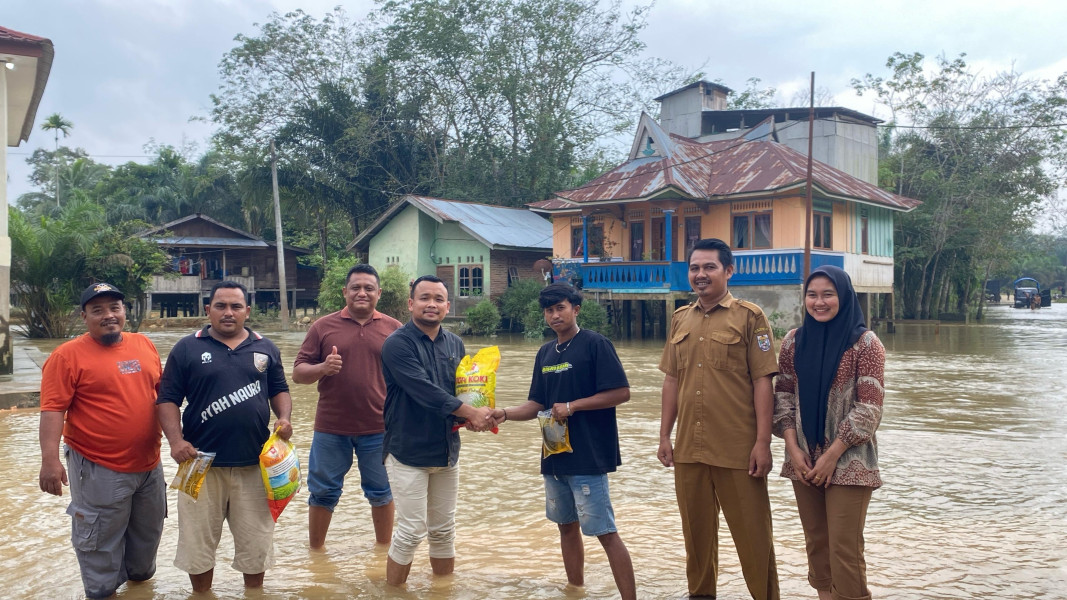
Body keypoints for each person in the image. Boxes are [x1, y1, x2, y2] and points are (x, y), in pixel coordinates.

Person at [493, 283, 637, 600]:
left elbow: (621, 393)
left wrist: (573, 406)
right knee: (565, 527)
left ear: (576, 308)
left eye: (560, 307)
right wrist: (502, 413)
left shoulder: (595, 344)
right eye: (549, 310)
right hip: (554, 455)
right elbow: (536, 405)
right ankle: (576, 591)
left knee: (605, 532)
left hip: (589, 455)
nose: (555, 315)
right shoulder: (545, 353)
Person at [658, 238, 781, 600]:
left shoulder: (750, 317)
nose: (700, 274)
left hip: (738, 449)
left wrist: (762, 442)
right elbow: (671, 380)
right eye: (694, 268)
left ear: (728, 271)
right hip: (688, 450)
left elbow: (763, 381)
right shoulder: (680, 318)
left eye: (709, 267)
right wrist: (665, 436)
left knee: (754, 538)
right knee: (696, 540)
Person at [156, 281, 293, 593]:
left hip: (255, 464)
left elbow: (279, 390)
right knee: (196, 545)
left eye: (235, 306)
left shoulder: (265, 347)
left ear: (247, 310)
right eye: (221, 306)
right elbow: (166, 400)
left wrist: (284, 419)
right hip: (197, 463)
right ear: (208, 311)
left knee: (256, 545)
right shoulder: (186, 348)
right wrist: (176, 442)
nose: (228, 312)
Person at [38, 282, 167, 599]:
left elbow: (163, 398)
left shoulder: (145, 345)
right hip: (98, 467)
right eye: (98, 310)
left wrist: (180, 440)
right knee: (99, 543)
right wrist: (50, 461)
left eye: (115, 308)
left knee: (147, 541)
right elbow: (53, 409)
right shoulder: (67, 356)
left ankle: (140, 591)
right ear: (84, 316)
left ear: (125, 312)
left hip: (150, 466)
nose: (109, 315)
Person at [774, 265, 884, 600]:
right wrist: (793, 449)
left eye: (828, 294)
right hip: (804, 459)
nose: (819, 302)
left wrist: (832, 456)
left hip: (849, 461)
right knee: (817, 545)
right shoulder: (793, 342)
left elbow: (869, 409)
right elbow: (783, 397)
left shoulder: (866, 344)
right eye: (812, 294)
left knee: (844, 549)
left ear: (844, 296)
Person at [380, 275, 496, 585]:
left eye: (438, 299)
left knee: (444, 529)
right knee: (410, 530)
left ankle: (443, 591)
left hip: (447, 450)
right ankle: (393, 592)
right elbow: (424, 391)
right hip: (408, 450)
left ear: (447, 306)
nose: (431, 304)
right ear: (411, 304)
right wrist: (470, 411)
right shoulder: (396, 344)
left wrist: (470, 417)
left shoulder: (454, 343)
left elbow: (459, 391)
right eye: (424, 298)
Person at [293, 264, 402, 549]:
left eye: (368, 288)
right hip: (331, 427)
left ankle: (382, 553)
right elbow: (298, 373)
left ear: (379, 293)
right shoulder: (323, 327)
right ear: (345, 292)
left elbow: (411, 378)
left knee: (381, 492)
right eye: (355, 287)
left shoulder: (395, 329)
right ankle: (315, 554)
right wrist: (323, 368)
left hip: (380, 428)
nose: (362, 293)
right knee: (322, 493)